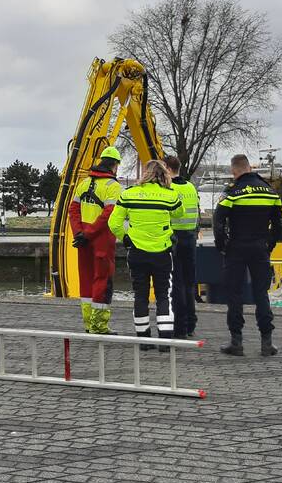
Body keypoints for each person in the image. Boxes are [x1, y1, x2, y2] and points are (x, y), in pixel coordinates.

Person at [108, 159, 184, 350]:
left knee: (140, 295)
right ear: (163, 174)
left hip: (137, 253)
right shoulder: (169, 195)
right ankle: (164, 341)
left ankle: (143, 339)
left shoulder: (129, 194)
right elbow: (179, 213)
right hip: (162, 253)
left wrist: (125, 238)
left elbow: (113, 223)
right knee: (163, 296)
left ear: (145, 173)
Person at [214, 154, 282, 357]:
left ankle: (236, 342)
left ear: (234, 170)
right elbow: (279, 224)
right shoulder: (270, 192)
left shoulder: (232, 192)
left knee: (234, 294)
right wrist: (269, 244)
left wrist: (222, 246)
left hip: (236, 247)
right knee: (261, 293)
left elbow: (218, 222)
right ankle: (266, 343)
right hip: (260, 247)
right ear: (249, 168)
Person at [68, 147, 123, 334]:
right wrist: (89, 234)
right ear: (115, 165)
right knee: (102, 280)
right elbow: (109, 215)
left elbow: (73, 210)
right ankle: (99, 325)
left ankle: (88, 323)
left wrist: (79, 233)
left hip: (83, 241)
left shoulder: (83, 183)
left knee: (86, 280)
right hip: (102, 241)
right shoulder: (113, 186)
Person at [162, 155, 200, 339]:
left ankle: (180, 327)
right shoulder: (191, 187)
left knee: (176, 285)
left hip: (174, 239)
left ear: (169, 169)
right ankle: (191, 324)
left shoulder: (169, 188)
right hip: (190, 239)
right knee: (189, 283)